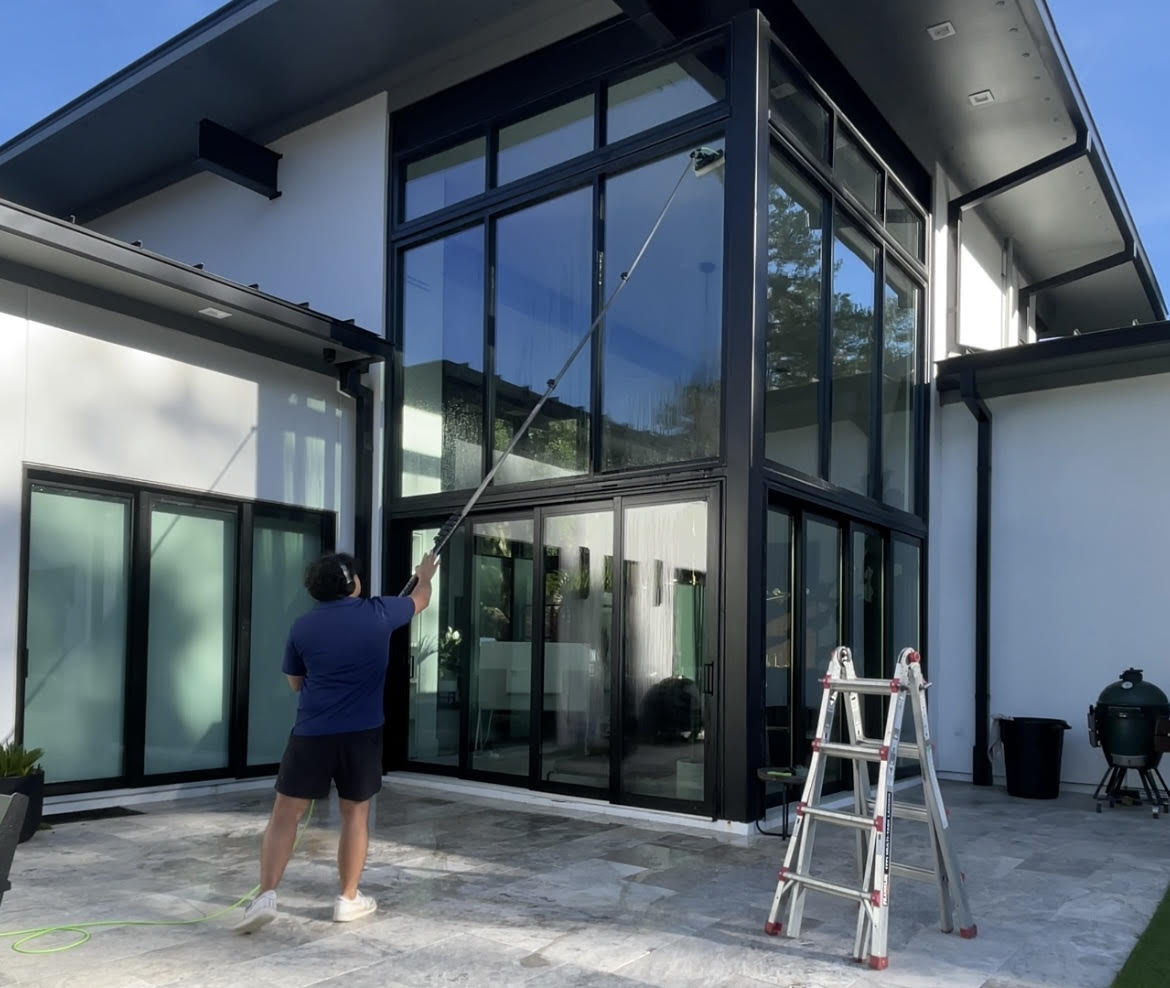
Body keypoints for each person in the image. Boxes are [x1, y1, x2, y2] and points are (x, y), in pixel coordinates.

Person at [234, 550, 438, 933]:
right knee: (354, 815)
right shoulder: (380, 612)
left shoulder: (303, 627)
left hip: (311, 734)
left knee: (284, 815)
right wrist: (424, 573)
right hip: (361, 736)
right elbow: (421, 598)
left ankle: (265, 895)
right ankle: (347, 898)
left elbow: (295, 683)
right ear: (353, 583)